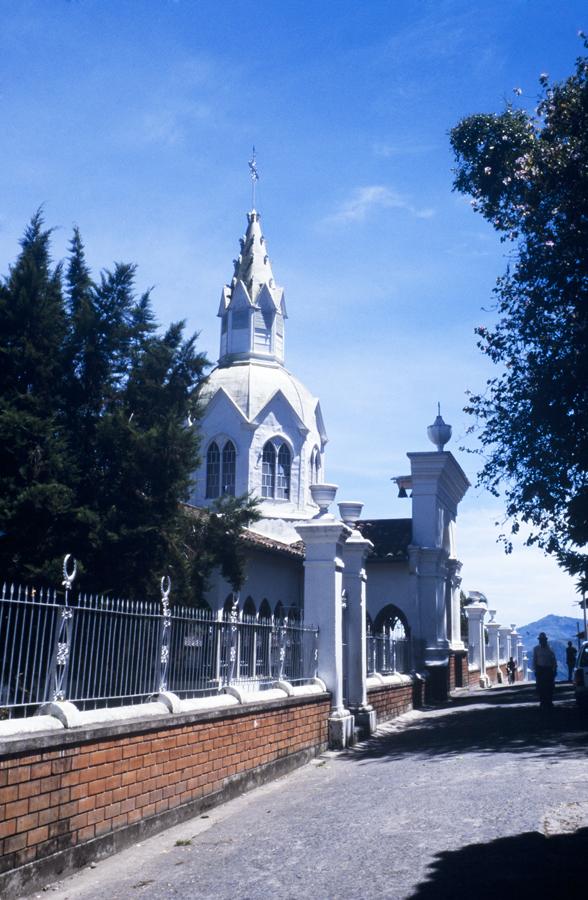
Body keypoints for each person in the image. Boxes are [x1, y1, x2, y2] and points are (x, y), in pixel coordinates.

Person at [532, 632, 557, 709]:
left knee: (550, 686)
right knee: (540, 686)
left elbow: (554, 660)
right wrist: (535, 670)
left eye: (543, 639)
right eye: (540, 640)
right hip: (540, 669)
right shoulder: (536, 649)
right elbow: (534, 659)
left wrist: (555, 669)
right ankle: (542, 701)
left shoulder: (550, 649)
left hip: (548, 669)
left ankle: (549, 701)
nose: (542, 641)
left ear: (545, 640)